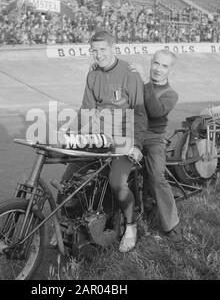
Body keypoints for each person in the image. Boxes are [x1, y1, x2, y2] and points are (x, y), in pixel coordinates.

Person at [59, 30, 147, 252]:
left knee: (117, 182)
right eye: (94, 51)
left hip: (123, 141)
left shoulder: (130, 73)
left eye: (103, 50)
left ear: (113, 48)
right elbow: (87, 109)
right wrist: (71, 133)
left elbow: (139, 112)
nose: (98, 55)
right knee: (68, 180)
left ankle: (131, 226)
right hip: (99, 139)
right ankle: (65, 227)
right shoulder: (93, 75)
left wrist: (136, 145)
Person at [128, 49, 181, 241]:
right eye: (156, 63)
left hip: (154, 138)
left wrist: (143, 83)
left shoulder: (171, 94)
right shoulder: (140, 85)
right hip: (133, 133)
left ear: (170, 71)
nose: (158, 69)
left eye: (164, 66)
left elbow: (155, 110)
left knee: (157, 177)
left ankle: (171, 224)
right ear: (151, 63)